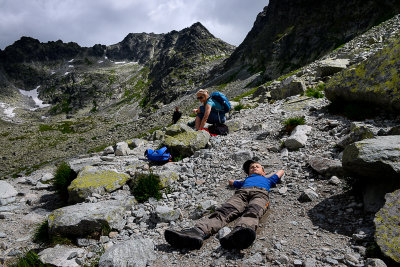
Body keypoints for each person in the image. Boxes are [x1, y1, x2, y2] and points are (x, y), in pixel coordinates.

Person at [164, 160, 285, 250]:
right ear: (248, 173)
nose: (254, 168)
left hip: (260, 193)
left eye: (257, 167)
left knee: (253, 211)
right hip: (242, 193)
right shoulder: (245, 180)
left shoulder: (268, 179)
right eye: (251, 168)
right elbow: (231, 182)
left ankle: (241, 232)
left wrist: (266, 175)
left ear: (263, 171)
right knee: (224, 211)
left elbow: (281, 171)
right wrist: (238, 181)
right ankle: (197, 232)